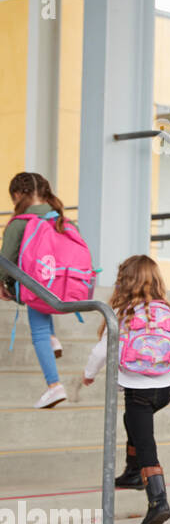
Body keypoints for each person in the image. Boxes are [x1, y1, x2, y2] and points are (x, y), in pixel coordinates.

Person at [82, 255, 170, 524]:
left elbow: (101, 351)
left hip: (138, 391)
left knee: (146, 444)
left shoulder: (123, 314)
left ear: (125, 282)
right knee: (132, 422)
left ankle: (159, 502)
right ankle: (133, 472)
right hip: (165, 387)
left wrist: (88, 374)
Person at [2, 171, 69, 408]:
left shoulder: (20, 223)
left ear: (19, 195)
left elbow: (5, 260)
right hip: (64, 285)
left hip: (36, 287)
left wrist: (2, 285)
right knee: (45, 303)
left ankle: (54, 385)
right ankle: (53, 339)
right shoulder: (60, 219)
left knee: (37, 329)